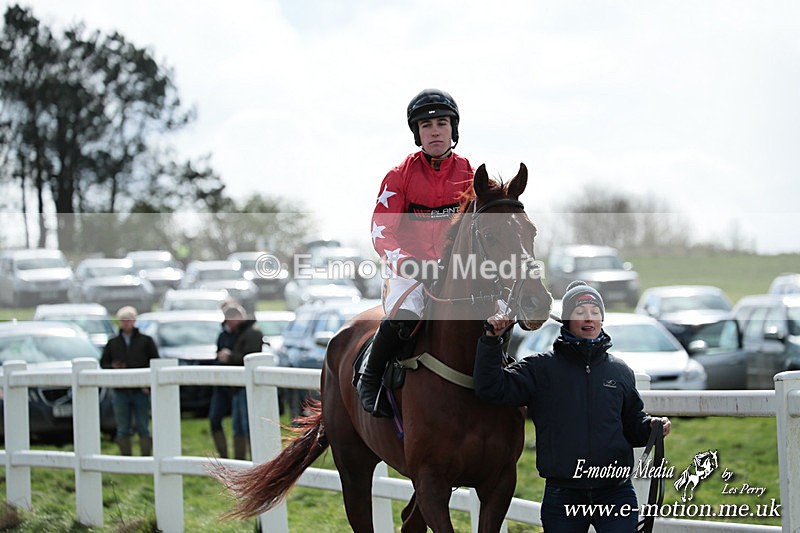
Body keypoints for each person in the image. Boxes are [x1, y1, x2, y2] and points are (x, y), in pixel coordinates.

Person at [474, 281, 672, 532]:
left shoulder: (620, 371)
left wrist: (650, 426)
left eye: (595, 312)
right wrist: (491, 340)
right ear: (566, 319)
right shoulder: (541, 368)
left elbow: (631, 425)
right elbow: (491, 388)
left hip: (615, 493)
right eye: (580, 312)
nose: (589, 319)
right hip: (563, 495)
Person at [358, 88, 474, 416]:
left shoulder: (470, 174)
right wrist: (411, 266)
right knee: (406, 314)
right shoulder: (398, 176)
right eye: (425, 125)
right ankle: (370, 376)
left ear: (453, 129)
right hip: (408, 269)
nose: (434, 130)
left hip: (456, 270)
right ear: (417, 133)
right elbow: (382, 231)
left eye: (441, 123)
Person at [100, 306, 160, 456]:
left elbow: (155, 362)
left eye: (129, 320)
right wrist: (113, 366)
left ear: (134, 321)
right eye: (123, 320)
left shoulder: (146, 341)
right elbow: (103, 363)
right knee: (122, 427)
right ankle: (126, 459)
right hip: (120, 390)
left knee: (143, 425)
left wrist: (148, 385)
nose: (126, 323)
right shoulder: (113, 342)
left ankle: (146, 458)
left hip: (141, 389)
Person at [214, 303, 264, 460]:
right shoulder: (243, 332)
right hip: (239, 387)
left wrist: (230, 357)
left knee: (247, 426)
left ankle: (253, 460)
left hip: (246, 387)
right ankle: (241, 463)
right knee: (238, 427)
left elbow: (250, 357)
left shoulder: (252, 333)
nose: (228, 325)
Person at [208, 303, 240, 458]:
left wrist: (230, 356)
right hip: (221, 386)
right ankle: (224, 457)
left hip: (237, 386)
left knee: (240, 425)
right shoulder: (222, 335)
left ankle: (241, 458)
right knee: (214, 420)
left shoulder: (242, 333)